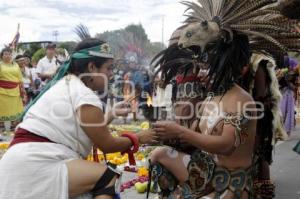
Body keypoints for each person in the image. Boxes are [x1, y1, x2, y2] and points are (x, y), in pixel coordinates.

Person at [147, 1, 300, 199]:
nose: (200, 73)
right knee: (159, 155)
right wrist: (157, 134)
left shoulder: (243, 102)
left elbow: (226, 145)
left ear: (227, 66)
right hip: (206, 173)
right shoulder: (211, 96)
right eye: (199, 65)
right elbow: (193, 134)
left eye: (206, 67)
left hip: (230, 184)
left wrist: (181, 131)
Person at [0, 38, 157, 199]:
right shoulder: (84, 95)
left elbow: (91, 130)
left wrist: (111, 114)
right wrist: (139, 137)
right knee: (107, 177)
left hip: (19, 163)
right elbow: (107, 144)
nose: (110, 74)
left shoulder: (68, 84)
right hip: (36, 165)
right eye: (108, 68)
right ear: (91, 67)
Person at [0, 48, 24, 137]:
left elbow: (20, 78)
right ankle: (3, 132)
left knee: (15, 113)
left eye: (9, 54)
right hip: (2, 93)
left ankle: (13, 132)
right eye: (5, 54)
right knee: (4, 113)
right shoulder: (0, 65)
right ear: (2, 56)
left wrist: (23, 90)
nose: (8, 55)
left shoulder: (16, 65)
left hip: (16, 92)